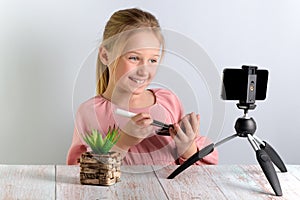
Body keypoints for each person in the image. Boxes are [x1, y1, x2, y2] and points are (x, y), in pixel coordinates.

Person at [67, 8, 218, 165]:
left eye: (152, 60)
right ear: (105, 56)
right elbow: (82, 172)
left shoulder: (169, 102)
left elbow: (201, 175)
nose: (144, 70)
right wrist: (122, 144)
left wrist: (188, 149)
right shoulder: (90, 112)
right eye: (134, 58)